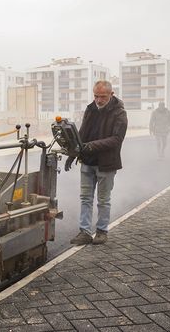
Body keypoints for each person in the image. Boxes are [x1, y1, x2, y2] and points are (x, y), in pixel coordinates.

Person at [64, 80, 128, 245]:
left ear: (111, 94)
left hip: (106, 163)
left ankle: (101, 231)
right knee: (85, 198)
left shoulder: (119, 113)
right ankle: (84, 232)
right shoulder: (90, 108)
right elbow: (83, 132)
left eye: (103, 97)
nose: (98, 100)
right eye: (96, 96)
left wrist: (91, 146)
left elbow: (116, 139)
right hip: (87, 161)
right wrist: (73, 153)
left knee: (103, 200)